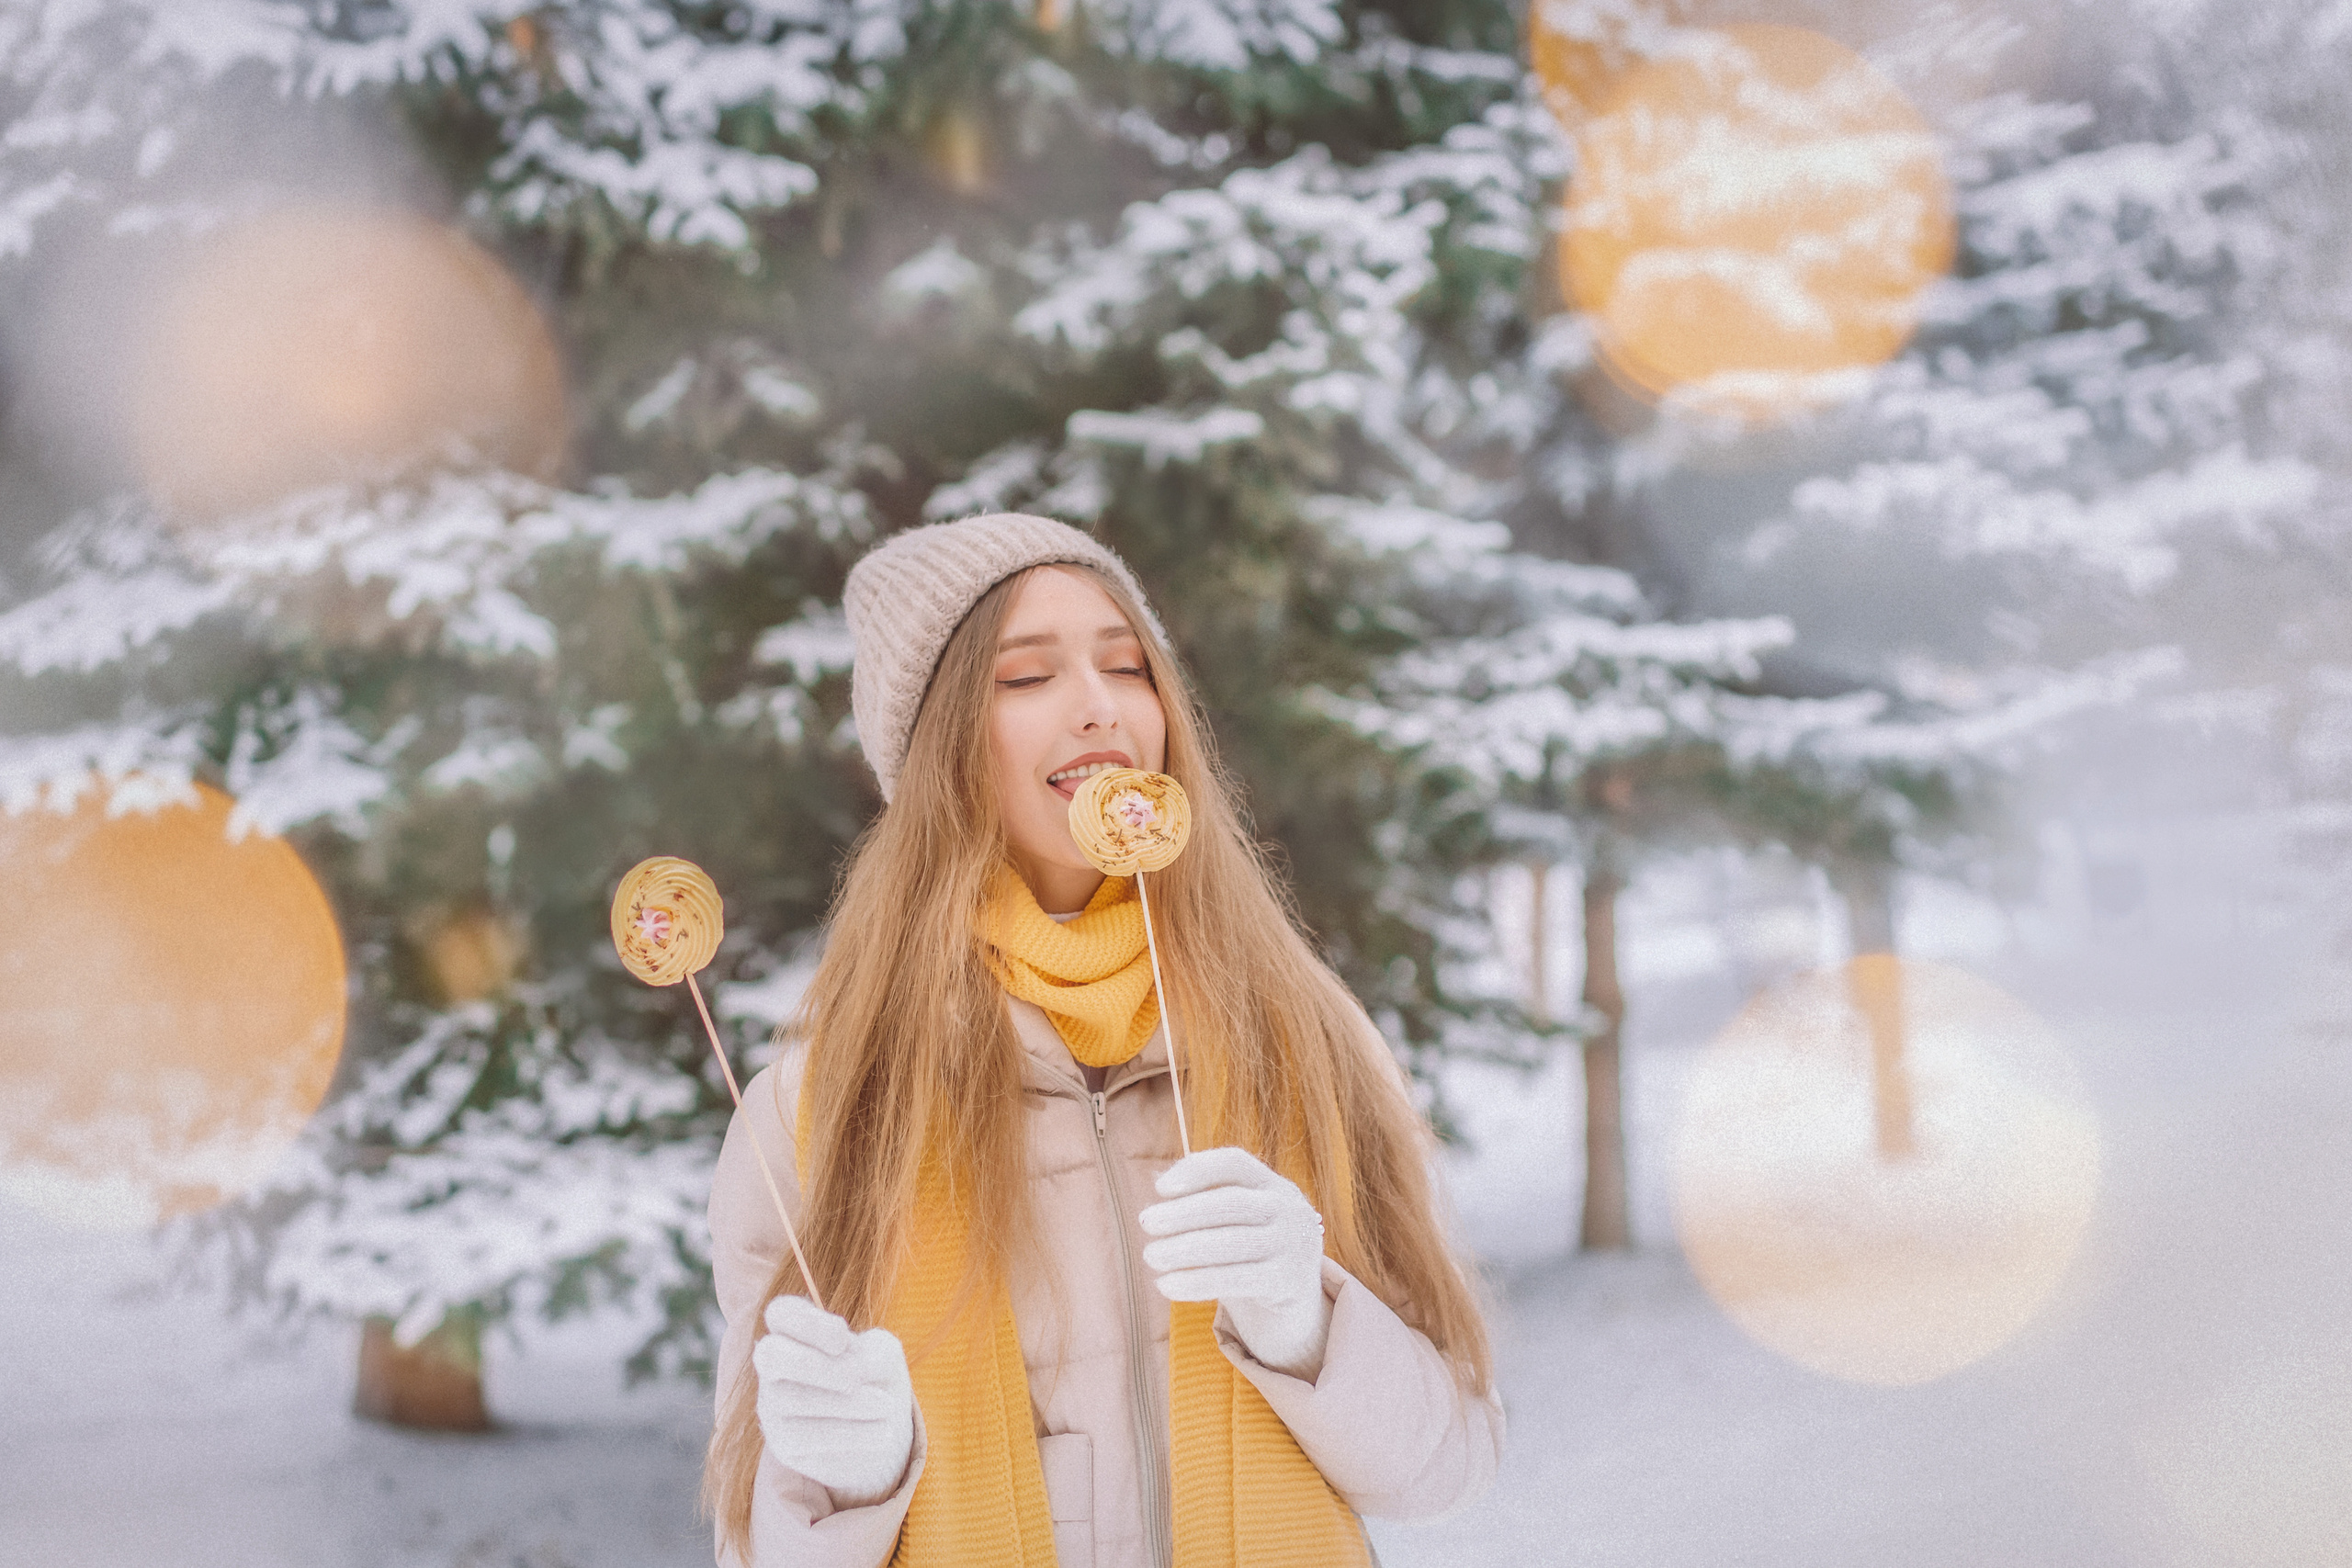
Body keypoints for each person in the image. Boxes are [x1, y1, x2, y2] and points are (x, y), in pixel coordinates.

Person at [701, 513, 1503, 1568]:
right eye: (1024, 679)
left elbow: (1447, 1467)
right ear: (937, 747)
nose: (1098, 706)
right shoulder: (828, 1104)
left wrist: (1304, 1324)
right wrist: (852, 1480)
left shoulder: (1304, 1040)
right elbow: (757, 1550)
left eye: (1128, 667)